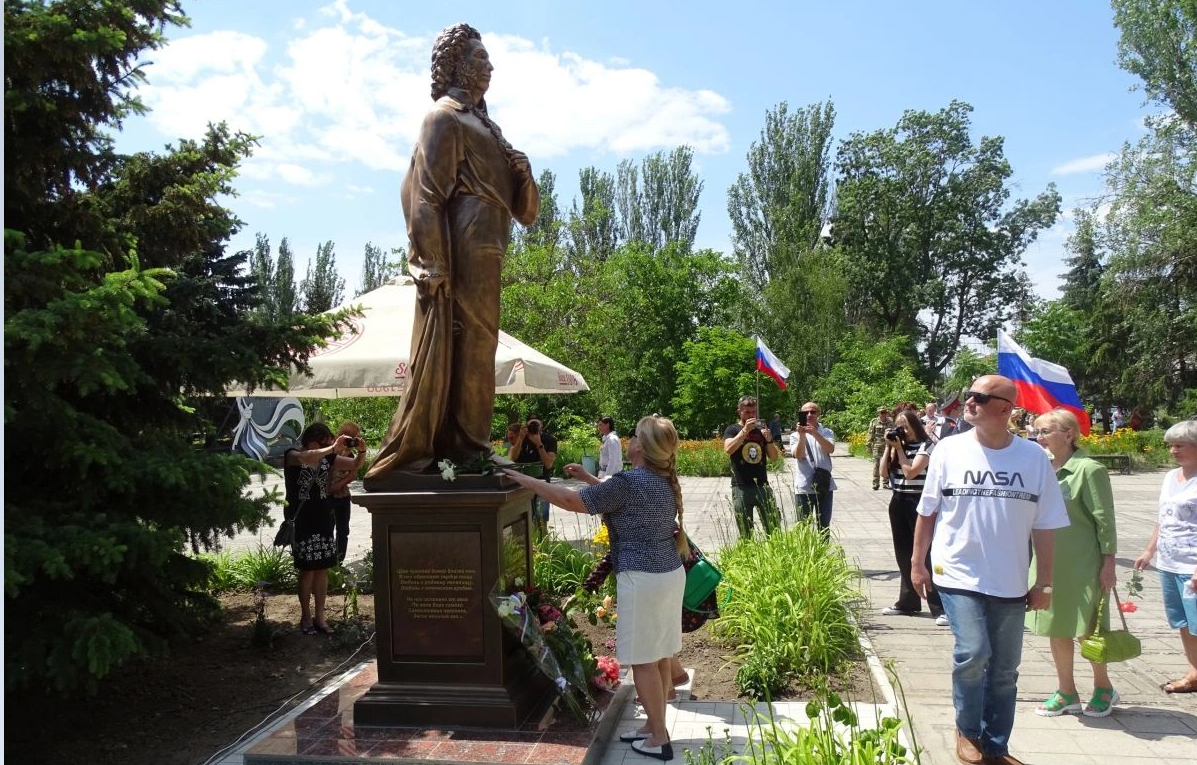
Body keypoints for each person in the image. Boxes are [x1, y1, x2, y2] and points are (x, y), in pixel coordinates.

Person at [366, 23, 539, 479]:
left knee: (479, 348)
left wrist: (522, 173)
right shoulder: (444, 117)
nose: (490, 66)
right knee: (467, 346)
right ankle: (464, 447)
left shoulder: (486, 125)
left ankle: (470, 444)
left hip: (488, 246)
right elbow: (424, 194)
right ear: (458, 64)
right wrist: (433, 261)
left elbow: (527, 214)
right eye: (481, 59)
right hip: (461, 245)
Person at [504, 416, 688, 761]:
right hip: (667, 574)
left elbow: (572, 501)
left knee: (645, 660)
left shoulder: (630, 482)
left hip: (642, 578)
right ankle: (652, 725)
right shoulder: (660, 479)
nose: (629, 438)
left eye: (635, 435)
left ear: (640, 447)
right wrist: (590, 479)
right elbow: (609, 493)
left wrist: (526, 479)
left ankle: (659, 739)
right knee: (660, 653)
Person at [911, 375, 1069, 765]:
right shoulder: (948, 450)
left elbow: (1046, 524)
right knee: (973, 651)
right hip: (956, 573)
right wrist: (917, 564)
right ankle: (967, 731)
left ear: (1004, 408)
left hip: (1011, 579)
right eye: (969, 395)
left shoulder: (1033, 459)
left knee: (1004, 668)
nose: (968, 402)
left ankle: (996, 747)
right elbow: (927, 512)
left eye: (978, 397)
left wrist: (1044, 582)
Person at [1028, 409, 1119, 717]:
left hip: (1082, 562)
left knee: (1088, 629)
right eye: (1037, 432)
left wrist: (1109, 562)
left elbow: (1104, 520)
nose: (1038, 438)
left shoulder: (1089, 469)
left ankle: (1103, 687)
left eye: (1045, 432)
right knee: (1056, 626)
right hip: (1047, 561)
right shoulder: (1041, 468)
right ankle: (1066, 691)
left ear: (1068, 434)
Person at [1133, 419, 1197, 695]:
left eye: (1180, 445)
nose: (1173, 451)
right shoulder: (1171, 477)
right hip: (1169, 562)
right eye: (1170, 446)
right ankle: (1194, 673)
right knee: (1183, 622)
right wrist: (1150, 550)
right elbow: (1163, 518)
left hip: (1192, 563)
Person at [284, 423, 362, 635]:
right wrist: (331, 448)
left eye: (330, 442)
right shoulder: (292, 455)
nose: (329, 446)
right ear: (311, 441)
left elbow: (355, 464)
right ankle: (306, 617)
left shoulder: (328, 458)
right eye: (324, 442)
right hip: (302, 519)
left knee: (322, 569)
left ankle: (320, 617)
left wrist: (362, 450)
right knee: (307, 569)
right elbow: (307, 458)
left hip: (323, 517)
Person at [879, 410, 946, 625]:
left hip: (919, 502)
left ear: (916, 426)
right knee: (903, 553)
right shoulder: (899, 446)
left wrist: (899, 450)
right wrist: (889, 448)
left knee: (925, 555)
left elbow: (911, 472)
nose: (903, 432)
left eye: (906, 427)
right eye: (899, 427)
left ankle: (939, 607)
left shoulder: (927, 446)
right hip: (898, 501)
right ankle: (908, 602)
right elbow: (882, 473)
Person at [723, 395, 780, 538]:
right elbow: (728, 449)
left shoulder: (761, 430)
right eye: (747, 412)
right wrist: (744, 431)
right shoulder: (732, 429)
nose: (751, 415)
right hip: (741, 486)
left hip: (762, 485)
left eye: (753, 412)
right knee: (745, 531)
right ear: (739, 411)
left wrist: (769, 440)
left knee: (773, 527)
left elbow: (774, 457)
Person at [509, 417, 557, 537]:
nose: (533, 427)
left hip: (542, 484)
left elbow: (548, 463)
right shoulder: (522, 438)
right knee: (522, 519)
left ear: (541, 426)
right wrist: (520, 438)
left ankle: (543, 548)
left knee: (541, 521)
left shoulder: (549, 440)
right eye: (530, 424)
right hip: (523, 485)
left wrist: (539, 444)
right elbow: (513, 458)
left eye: (535, 424)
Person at [792, 401, 836, 530]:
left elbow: (830, 449)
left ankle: (822, 549)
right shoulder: (795, 435)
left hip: (824, 486)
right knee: (803, 526)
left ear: (819, 414)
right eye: (806, 412)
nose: (809, 415)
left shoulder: (827, 432)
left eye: (813, 412)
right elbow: (799, 456)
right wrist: (802, 436)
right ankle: (804, 551)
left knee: (824, 525)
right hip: (804, 487)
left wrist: (815, 433)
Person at [329, 421, 367, 565]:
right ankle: (329, 561)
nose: (350, 439)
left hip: (342, 496)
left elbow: (353, 474)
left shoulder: (351, 455)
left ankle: (339, 560)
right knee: (328, 528)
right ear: (340, 433)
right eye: (348, 435)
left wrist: (339, 485)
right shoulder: (330, 449)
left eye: (354, 437)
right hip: (327, 496)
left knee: (343, 529)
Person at [866, 406, 895, 491]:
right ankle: (876, 483)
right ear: (878, 413)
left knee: (887, 464)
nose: (883, 414)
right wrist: (868, 446)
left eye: (884, 412)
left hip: (888, 446)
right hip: (877, 447)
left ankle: (885, 483)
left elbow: (893, 432)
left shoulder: (890, 422)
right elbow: (870, 434)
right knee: (876, 465)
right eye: (881, 412)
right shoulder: (874, 422)